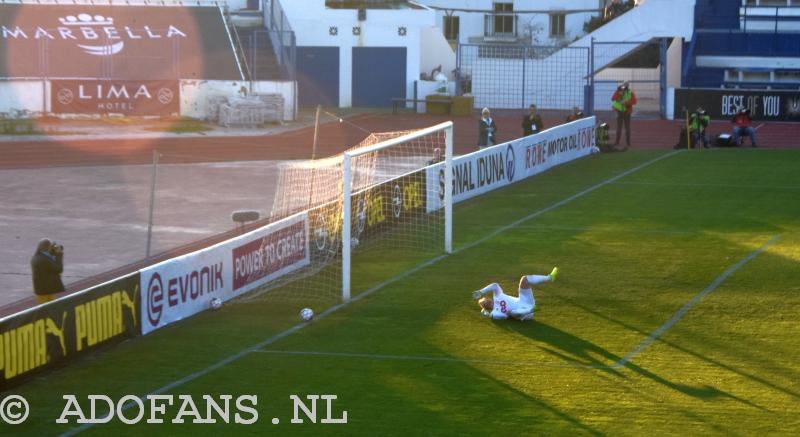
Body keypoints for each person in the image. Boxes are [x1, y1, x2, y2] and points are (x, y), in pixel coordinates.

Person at [472, 268, 558, 321]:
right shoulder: (495, 313)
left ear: (488, 298)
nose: (483, 302)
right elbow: (504, 317)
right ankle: (532, 310)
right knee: (510, 312)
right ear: (485, 307)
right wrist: (489, 315)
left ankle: (549, 278)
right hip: (524, 315)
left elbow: (495, 285)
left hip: (524, 302)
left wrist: (481, 292)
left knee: (524, 280)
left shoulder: (498, 296)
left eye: (483, 300)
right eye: (482, 304)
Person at [31, 238, 66, 305]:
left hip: (45, 290)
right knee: (48, 312)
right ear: (48, 247)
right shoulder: (43, 259)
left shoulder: (38, 256)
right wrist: (58, 254)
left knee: (52, 310)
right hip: (44, 292)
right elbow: (59, 269)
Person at [611, 80, 636, 149]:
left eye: (626, 85)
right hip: (619, 111)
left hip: (627, 112)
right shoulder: (618, 91)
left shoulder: (630, 93)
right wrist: (619, 93)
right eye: (624, 85)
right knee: (619, 127)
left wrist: (626, 102)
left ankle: (628, 142)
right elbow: (613, 98)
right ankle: (617, 141)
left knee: (627, 127)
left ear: (628, 86)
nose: (625, 86)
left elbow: (634, 101)